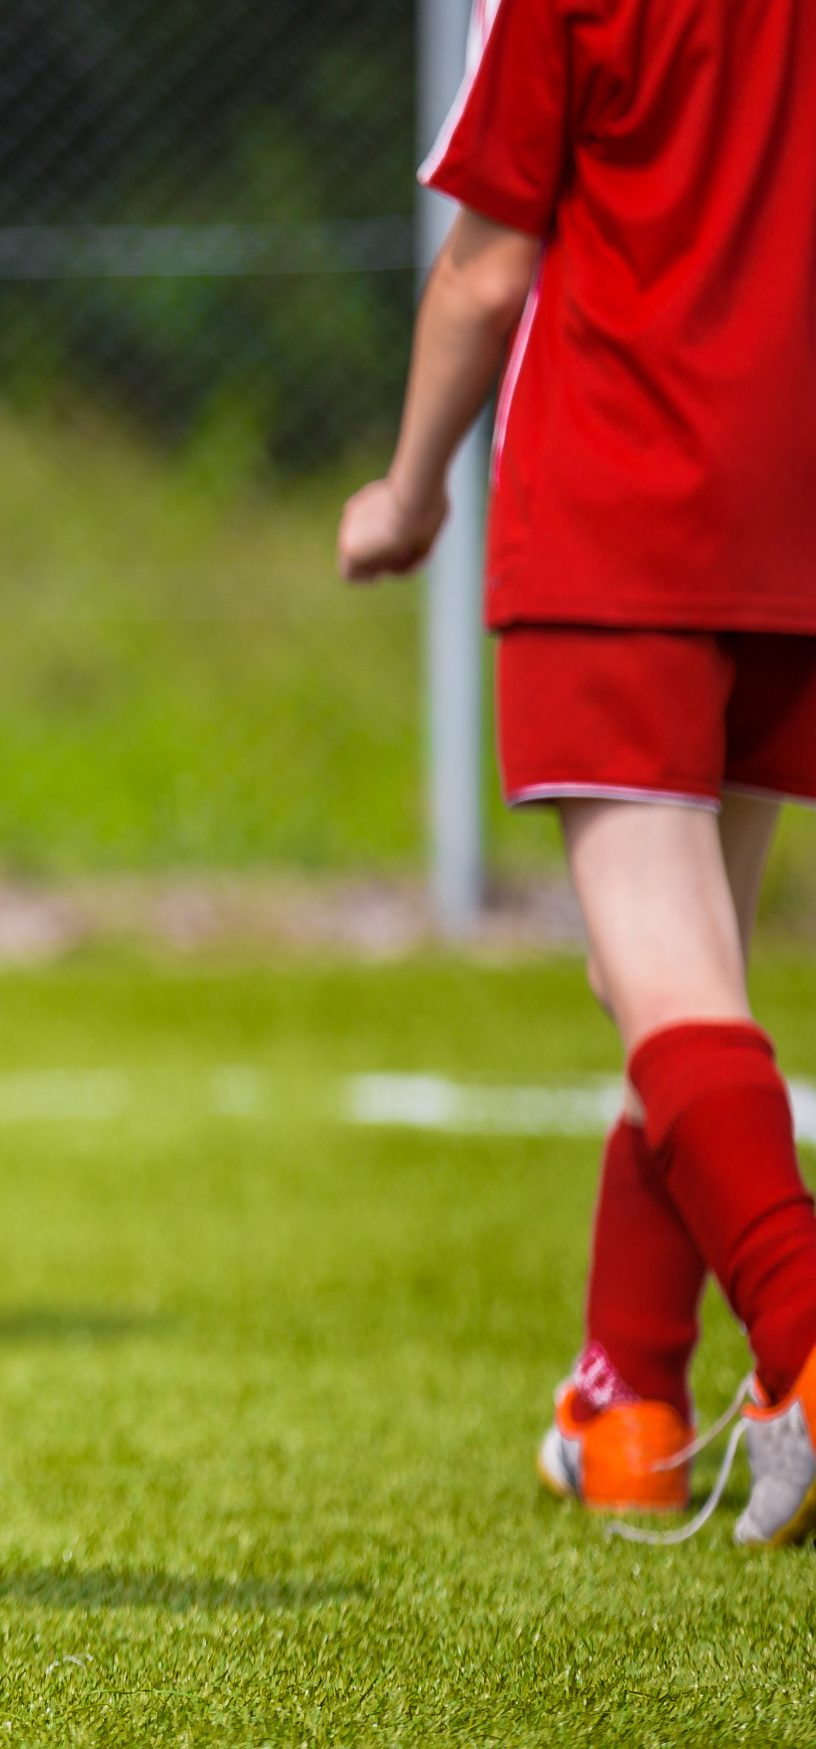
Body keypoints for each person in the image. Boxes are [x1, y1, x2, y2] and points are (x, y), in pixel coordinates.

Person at [339, 0, 816, 1543]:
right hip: (791, 502)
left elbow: (485, 264)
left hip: (622, 497)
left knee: (666, 979)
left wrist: (411, 490)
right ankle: (629, 1404)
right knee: (689, 987)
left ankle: (804, 1336)